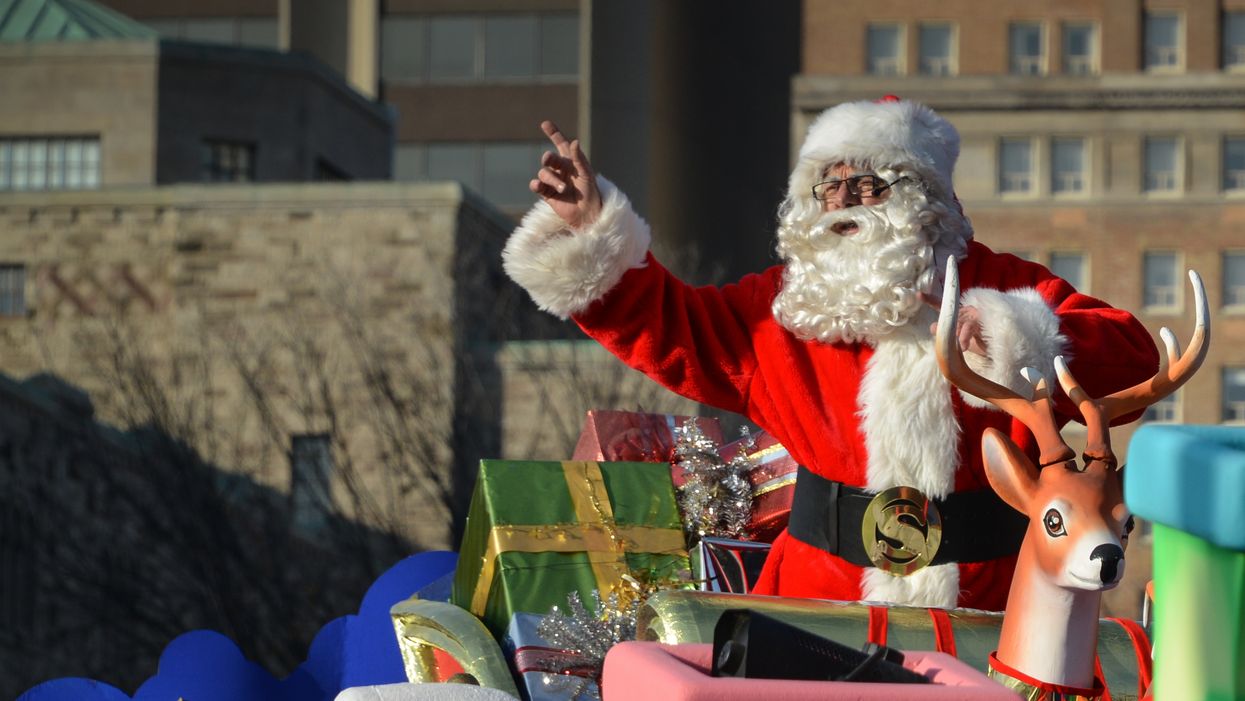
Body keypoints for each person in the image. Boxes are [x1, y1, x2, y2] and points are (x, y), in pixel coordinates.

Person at [501, 97, 1158, 610]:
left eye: (866, 183)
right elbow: (672, 328)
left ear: (922, 197)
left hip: (989, 607)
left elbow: (1133, 357)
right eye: (826, 186)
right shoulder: (783, 308)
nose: (841, 200)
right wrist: (591, 230)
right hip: (814, 608)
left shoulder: (1004, 285)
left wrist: (1015, 336)